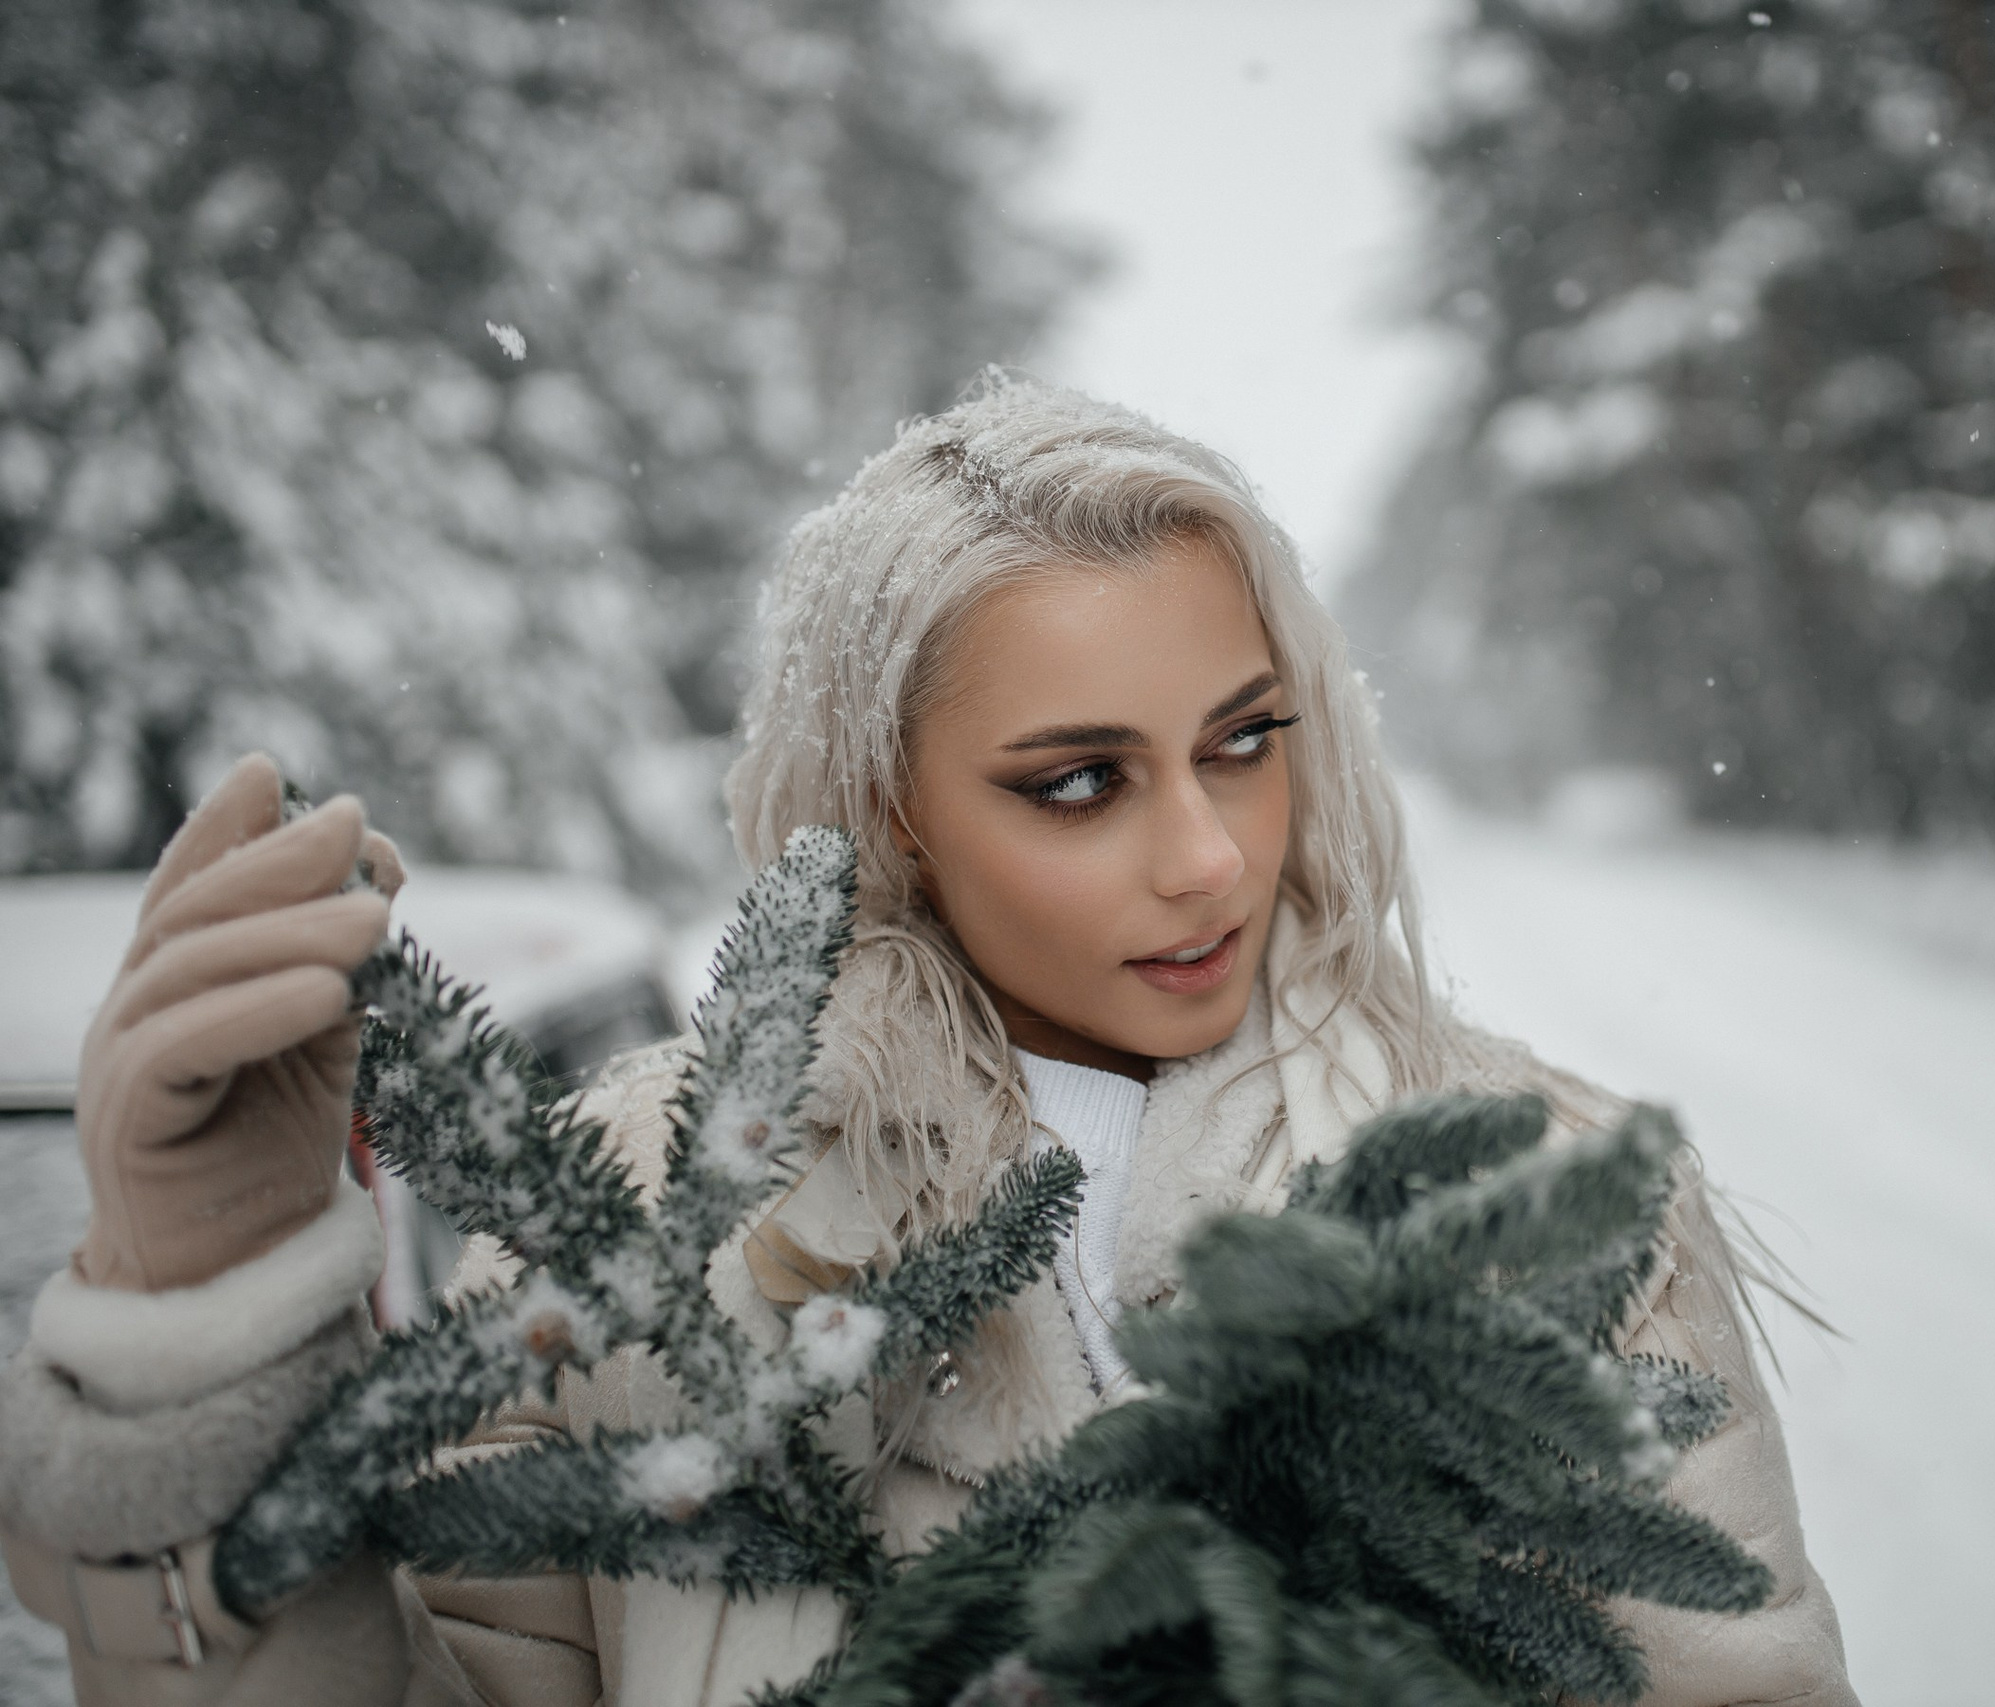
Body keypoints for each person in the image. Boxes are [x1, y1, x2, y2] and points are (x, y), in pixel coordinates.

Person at [0, 376, 1857, 1706]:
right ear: (891, 812)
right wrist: (205, 1308)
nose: (1208, 856)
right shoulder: (646, 1222)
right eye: (1077, 784)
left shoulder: (1546, 1203)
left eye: (1244, 739)